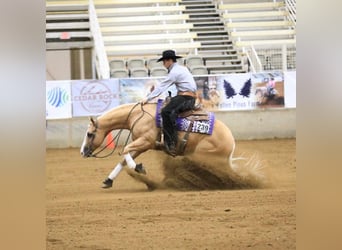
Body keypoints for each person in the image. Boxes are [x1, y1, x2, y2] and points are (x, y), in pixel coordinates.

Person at [141, 50, 197, 156]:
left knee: (166, 112)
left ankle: (171, 143)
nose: (163, 64)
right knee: (169, 107)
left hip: (186, 97)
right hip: (187, 96)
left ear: (169, 61)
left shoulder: (174, 72)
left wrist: (147, 99)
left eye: (164, 61)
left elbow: (162, 87)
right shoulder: (182, 69)